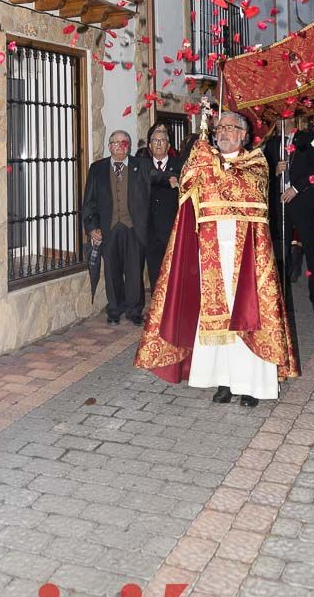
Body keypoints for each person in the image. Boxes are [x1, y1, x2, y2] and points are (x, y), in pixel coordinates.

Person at [135, 111, 299, 406]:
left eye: (229, 127)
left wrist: (209, 165)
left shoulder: (256, 163)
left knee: (247, 316)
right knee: (214, 319)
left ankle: (250, 385)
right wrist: (195, 163)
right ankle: (222, 380)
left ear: (243, 135)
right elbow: (186, 189)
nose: (222, 132)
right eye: (219, 127)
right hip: (210, 250)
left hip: (246, 256)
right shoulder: (205, 160)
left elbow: (243, 190)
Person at [83, 130, 150, 326]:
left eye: (123, 142)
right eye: (114, 142)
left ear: (128, 146)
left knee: (134, 272)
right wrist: (92, 227)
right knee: (111, 272)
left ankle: (134, 310)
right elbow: (89, 203)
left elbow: (158, 184)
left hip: (133, 228)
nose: (119, 146)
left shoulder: (142, 166)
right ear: (109, 146)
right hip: (108, 228)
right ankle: (114, 309)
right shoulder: (97, 169)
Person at [277, 125, 314, 315]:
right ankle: (280, 297)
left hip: (302, 201)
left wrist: (296, 188)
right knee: (282, 251)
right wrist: (276, 170)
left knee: (312, 252)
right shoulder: (274, 142)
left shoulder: (308, 138)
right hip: (281, 202)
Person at [143, 123, 183, 290]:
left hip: (173, 230)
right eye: (155, 140)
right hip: (149, 231)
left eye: (162, 140)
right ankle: (156, 310)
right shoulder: (142, 167)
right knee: (154, 273)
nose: (159, 144)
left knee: (175, 273)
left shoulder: (180, 165)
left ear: (169, 145)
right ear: (150, 145)